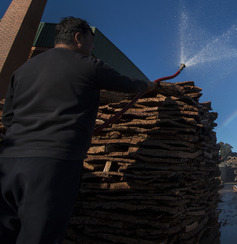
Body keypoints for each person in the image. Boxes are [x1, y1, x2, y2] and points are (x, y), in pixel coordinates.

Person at [0, 17, 157, 243]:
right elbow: (128, 85)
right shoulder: (89, 65)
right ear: (78, 38)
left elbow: (8, 117)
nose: (93, 47)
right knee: (39, 236)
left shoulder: (23, 70)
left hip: (7, 163)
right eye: (92, 41)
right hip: (52, 166)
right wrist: (150, 85)